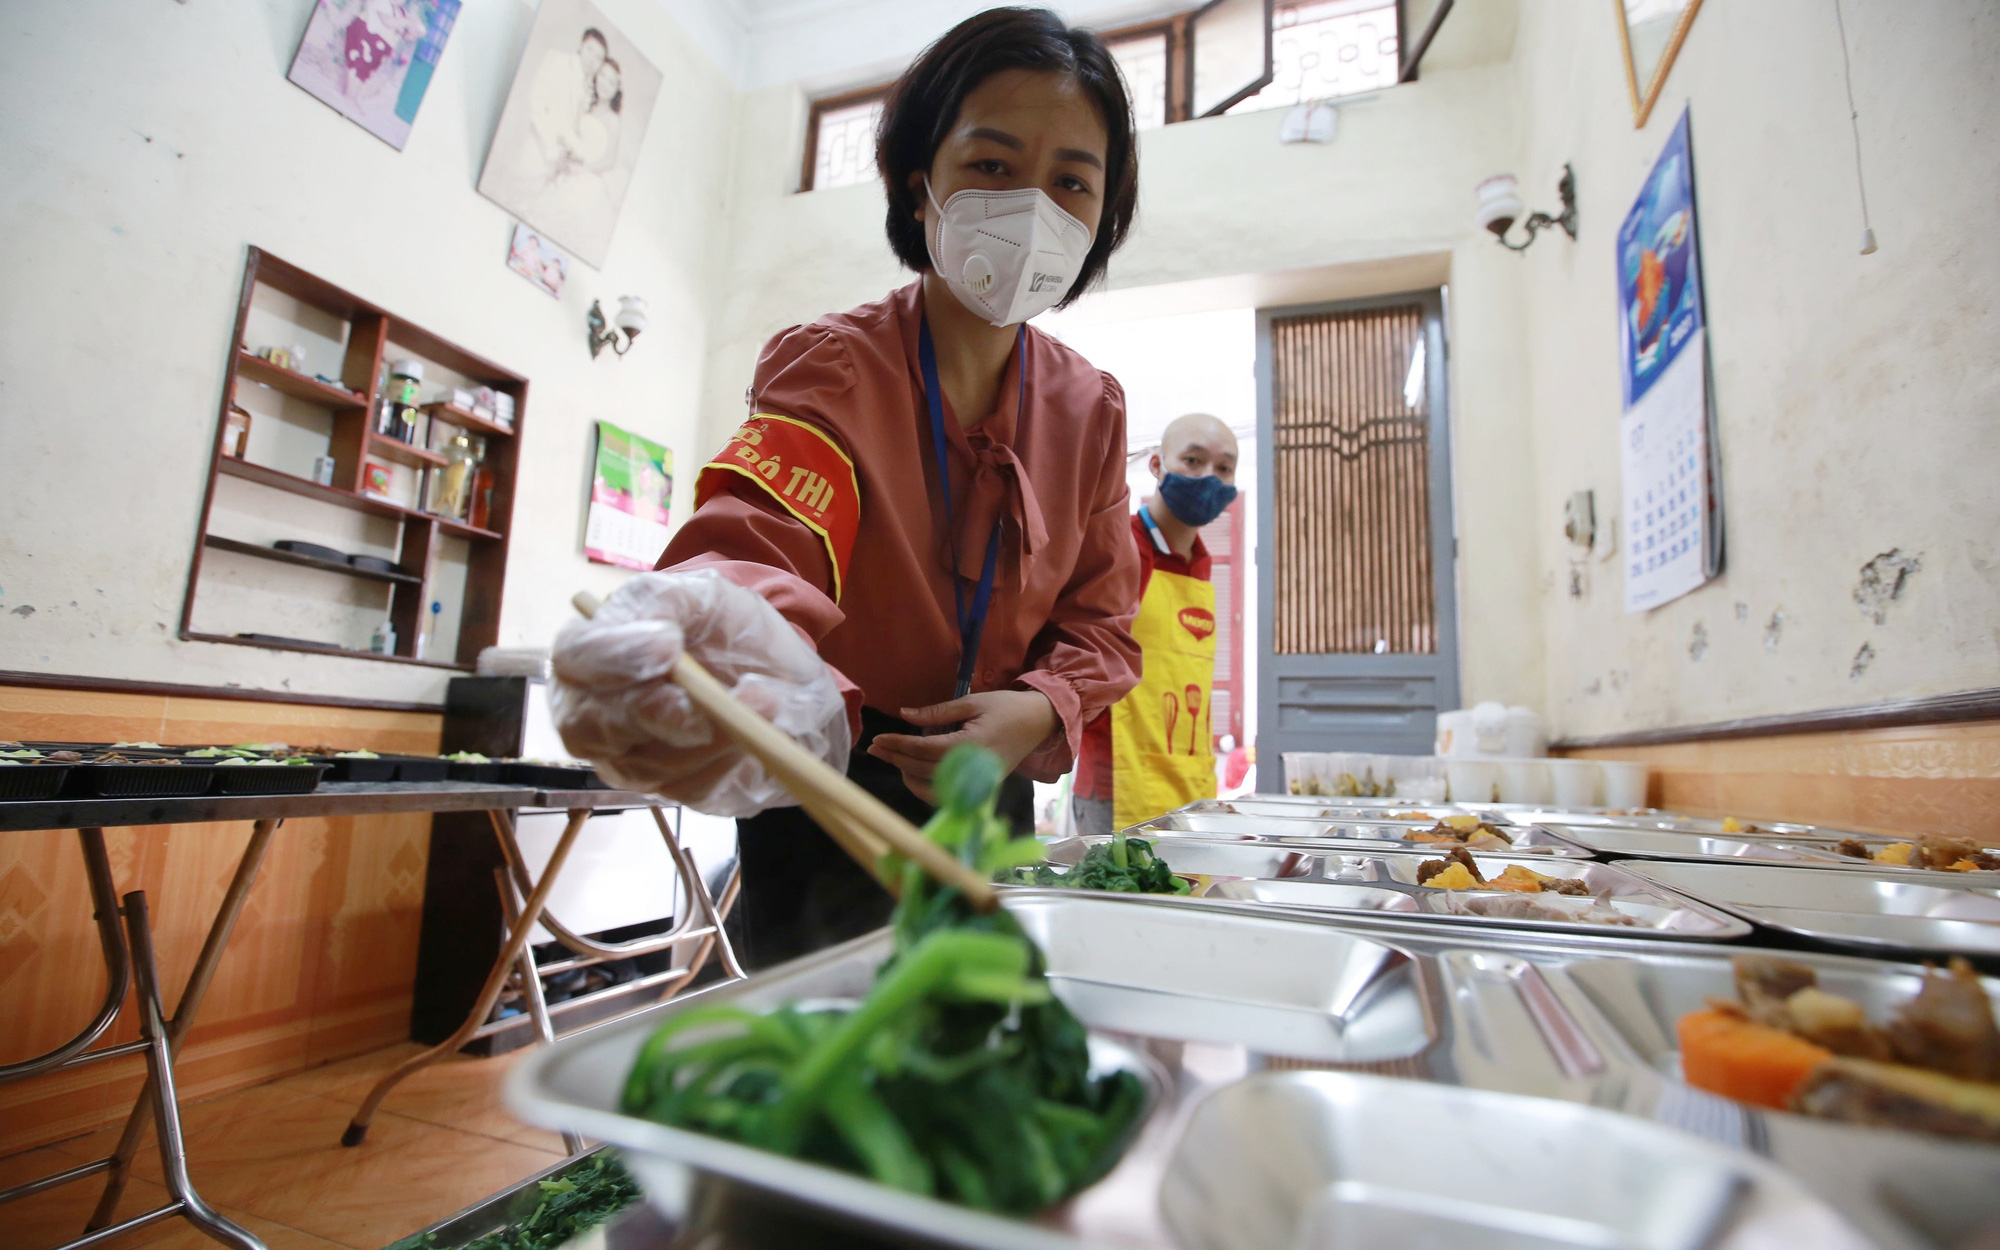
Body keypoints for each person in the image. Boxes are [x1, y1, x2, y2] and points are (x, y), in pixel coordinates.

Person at [551, 8, 1144, 970]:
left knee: (979, 1038)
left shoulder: (1091, 409)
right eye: (992, 166)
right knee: (823, 1057)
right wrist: (727, 640)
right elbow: (760, 543)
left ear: (1101, 215)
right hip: (828, 777)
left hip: (990, 776)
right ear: (921, 191)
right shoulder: (832, 367)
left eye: (1072, 181)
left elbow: (1104, 623)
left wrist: (1037, 709)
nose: (1033, 205)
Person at [1072, 413, 1239, 835]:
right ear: (1157, 466)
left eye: (1223, 468)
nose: (1208, 478)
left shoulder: (1201, 563)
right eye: (1193, 460)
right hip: (1119, 783)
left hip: (1189, 781)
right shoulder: (1120, 549)